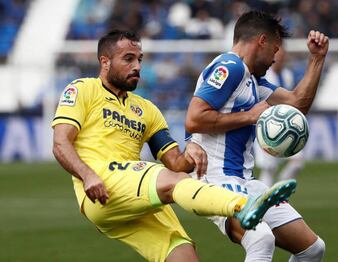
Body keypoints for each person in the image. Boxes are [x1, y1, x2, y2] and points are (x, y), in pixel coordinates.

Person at [52, 29, 297, 262]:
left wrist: (190, 149)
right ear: (105, 62)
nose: (137, 66)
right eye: (128, 59)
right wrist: (88, 176)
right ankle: (243, 206)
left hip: (130, 197)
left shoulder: (147, 110)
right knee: (172, 182)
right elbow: (61, 143)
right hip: (102, 181)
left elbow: (177, 164)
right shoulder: (82, 89)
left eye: (139, 59)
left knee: (182, 253)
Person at [185, 11, 328, 262]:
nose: (275, 58)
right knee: (261, 238)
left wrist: (316, 59)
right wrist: (250, 116)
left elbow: (297, 105)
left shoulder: (252, 80)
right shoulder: (229, 67)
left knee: (312, 249)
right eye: (275, 49)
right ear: (261, 40)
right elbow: (194, 120)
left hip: (244, 180)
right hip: (214, 178)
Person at [253, 45, 305, 186]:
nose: (280, 59)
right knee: (269, 169)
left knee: (298, 161)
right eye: (278, 56)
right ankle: (265, 198)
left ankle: (279, 187)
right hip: (266, 127)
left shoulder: (287, 75)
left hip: (286, 125)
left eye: (283, 56)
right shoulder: (264, 76)